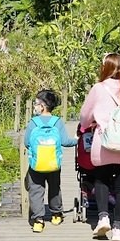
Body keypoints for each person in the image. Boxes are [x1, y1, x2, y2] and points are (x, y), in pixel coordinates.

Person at [79, 53, 120, 241]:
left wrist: (92, 123)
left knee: (101, 181)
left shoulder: (98, 89)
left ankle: (103, 217)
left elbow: (84, 118)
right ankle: (119, 228)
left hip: (104, 143)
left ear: (105, 68)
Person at [24, 89, 77, 232]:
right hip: (54, 163)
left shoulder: (33, 122)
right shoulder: (57, 122)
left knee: (36, 190)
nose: (34, 107)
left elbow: (27, 142)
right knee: (54, 188)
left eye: (36, 104)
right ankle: (56, 214)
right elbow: (65, 141)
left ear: (42, 106)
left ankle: (38, 220)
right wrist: (77, 140)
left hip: (36, 163)